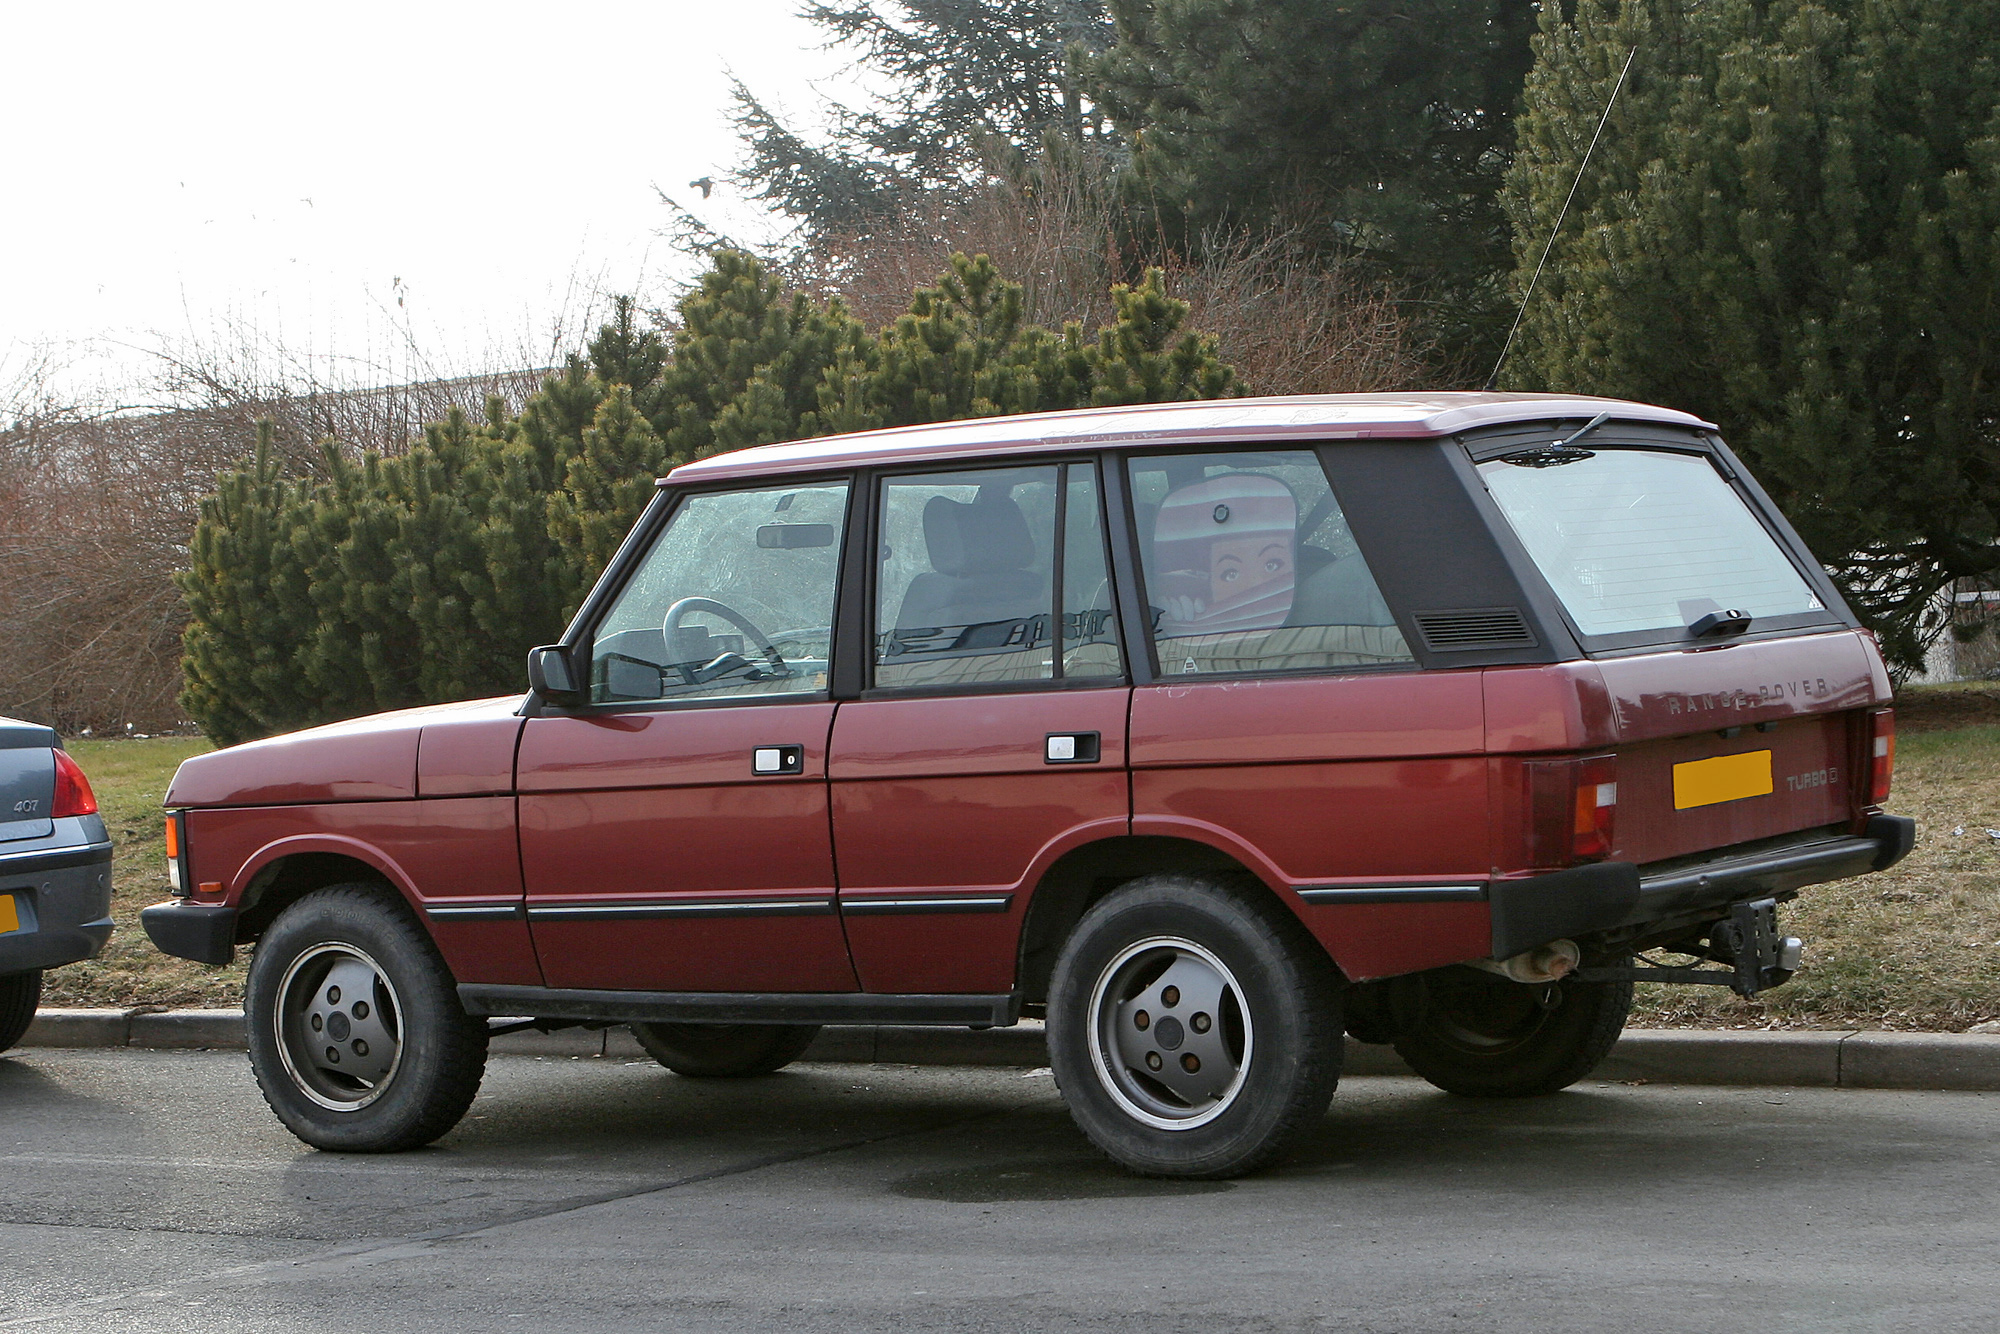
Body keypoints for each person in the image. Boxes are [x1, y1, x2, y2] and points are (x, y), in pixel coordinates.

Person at [1152, 474, 1298, 636]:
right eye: (1231, 574)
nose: (1257, 585)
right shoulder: (1197, 641)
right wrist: (1172, 623)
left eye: (1272, 564)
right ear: (1210, 588)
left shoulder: (1317, 625)